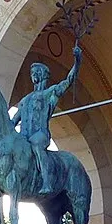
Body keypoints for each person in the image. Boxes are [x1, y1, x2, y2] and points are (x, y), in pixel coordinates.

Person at [14, 46, 81, 195]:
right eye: (31, 73)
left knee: (37, 146)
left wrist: (77, 61)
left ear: (43, 74)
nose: (33, 75)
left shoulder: (49, 93)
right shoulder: (25, 100)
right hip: (24, 136)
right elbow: (14, 120)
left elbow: (68, 80)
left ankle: (47, 181)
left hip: (39, 134)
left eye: (35, 72)